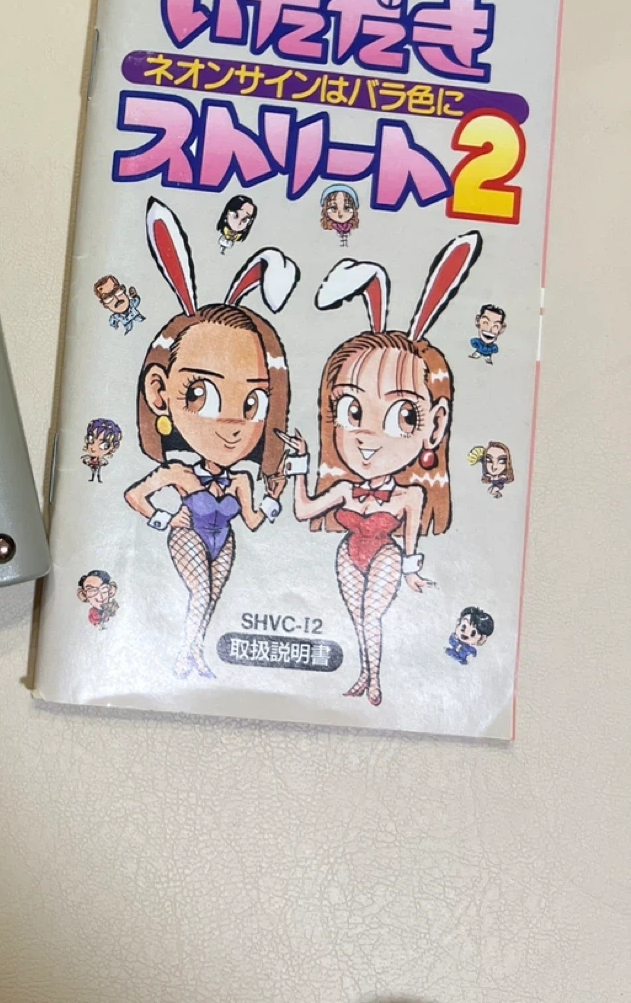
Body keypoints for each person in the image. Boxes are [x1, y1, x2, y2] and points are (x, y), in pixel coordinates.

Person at [281, 234, 482, 707]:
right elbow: (304, 509)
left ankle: (374, 683)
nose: (368, 435)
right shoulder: (345, 490)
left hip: (386, 556)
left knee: (372, 616)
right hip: (347, 555)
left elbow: (410, 541)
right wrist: (300, 463)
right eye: (352, 411)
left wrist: (412, 570)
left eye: (403, 415)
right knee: (358, 618)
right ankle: (365, 674)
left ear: (434, 426)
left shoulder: (410, 495)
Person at [123, 198, 300, 678]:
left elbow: (255, 521)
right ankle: (186, 656)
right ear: (160, 392)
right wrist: (161, 518)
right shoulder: (180, 472)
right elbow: (135, 494)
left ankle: (194, 654)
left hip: (226, 542)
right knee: (200, 594)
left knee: (211, 599)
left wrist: (279, 492)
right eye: (201, 393)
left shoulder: (241, 479)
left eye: (253, 403)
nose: (232, 423)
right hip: (186, 534)